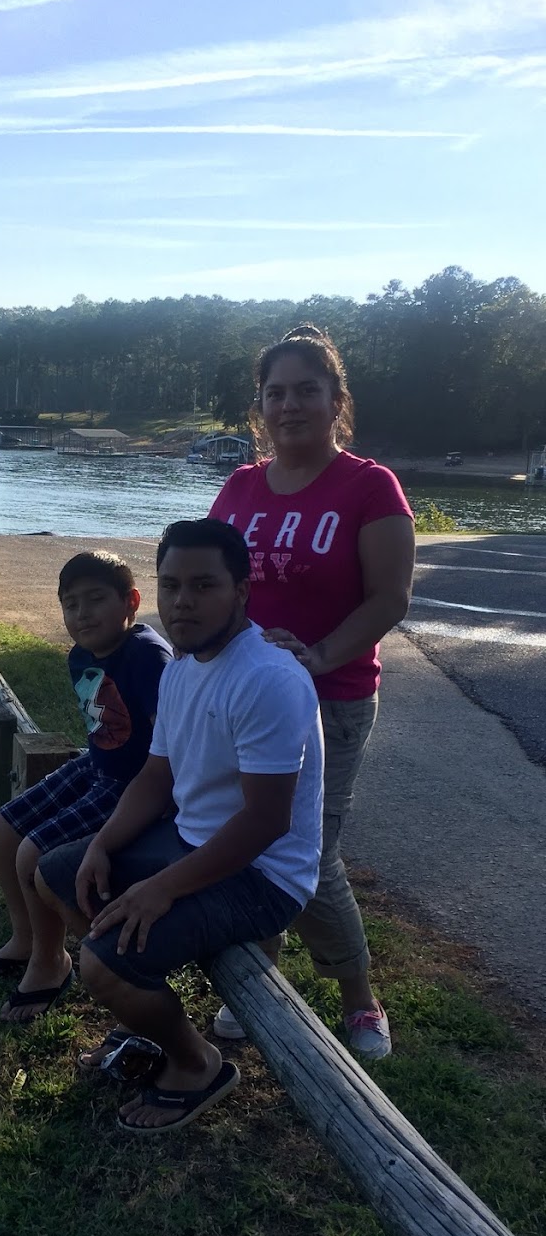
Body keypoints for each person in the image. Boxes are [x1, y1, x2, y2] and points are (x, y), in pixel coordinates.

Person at [35, 518, 324, 1134]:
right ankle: (145, 1001)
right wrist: (104, 845)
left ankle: (197, 1065)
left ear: (241, 591)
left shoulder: (269, 680)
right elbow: (155, 778)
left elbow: (267, 822)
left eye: (203, 585)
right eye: (170, 585)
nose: (183, 602)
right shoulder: (184, 668)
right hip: (191, 841)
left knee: (101, 966)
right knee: (59, 873)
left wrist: (163, 887)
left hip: (263, 875)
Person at [208, 324, 415, 1059]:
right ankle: (262, 972)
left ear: (335, 402)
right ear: (259, 406)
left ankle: (359, 999)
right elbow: (211, 584)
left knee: (308, 853)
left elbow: (389, 599)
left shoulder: (368, 487)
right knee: (250, 840)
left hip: (333, 698)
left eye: (306, 391)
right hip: (243, 697)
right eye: (276, 393)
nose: (289, 405)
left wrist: (317, 657)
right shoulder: (238, 487)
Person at [0, 550, 171, 1023]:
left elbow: (169, 749)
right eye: (70, 604)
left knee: (33, 854)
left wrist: (158, 807)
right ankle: (24, 939)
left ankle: (50, 961)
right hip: (96, 766)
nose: (82, 614)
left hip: (135, 784)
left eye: (96, 600)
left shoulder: (147, 657)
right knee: (2, 829)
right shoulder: (80, 655)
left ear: (131, 602)